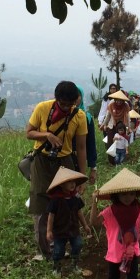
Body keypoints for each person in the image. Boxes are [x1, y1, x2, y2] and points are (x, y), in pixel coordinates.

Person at [26, 81, 88, 257]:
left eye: (70, 104)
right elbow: (29, 132)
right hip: (42, 160)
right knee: (41, 202)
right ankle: (46, 249)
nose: (67, 107)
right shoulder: (42, 108)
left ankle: (62, 244)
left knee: (65, 202)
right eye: (63, 104)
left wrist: (81, 177)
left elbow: (81, 147)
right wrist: (47, 135)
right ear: (56, 99)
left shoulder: (79, 116)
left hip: (64, 161)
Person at [45, 167, 90, 276]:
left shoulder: (75, 197)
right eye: (69, 182)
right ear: (61, 184)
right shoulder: (56, 199)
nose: (72, 184)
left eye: (73, 181)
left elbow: (79, 212)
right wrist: (49, 230)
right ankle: (57, 267)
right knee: (59, 249)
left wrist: (85, 225)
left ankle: (74, 265)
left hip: (73, 228)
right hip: (60, 230)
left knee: (78, 244)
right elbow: (51, 216)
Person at [75, 85, 98, 186]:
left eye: (77, 95)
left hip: (79, 160)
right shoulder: (63, 117)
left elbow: (90, 143)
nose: (75, 98)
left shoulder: (86, 118)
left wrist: (93, 168)